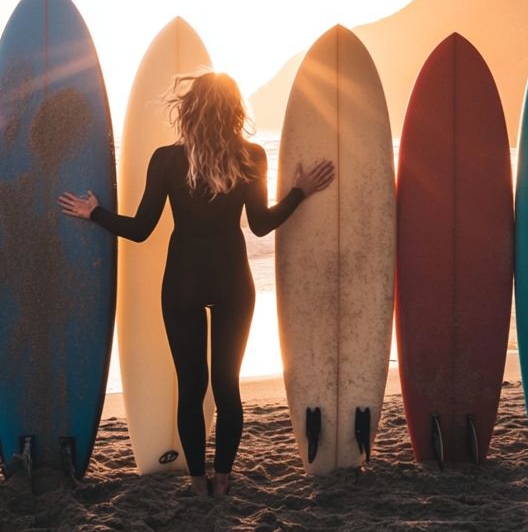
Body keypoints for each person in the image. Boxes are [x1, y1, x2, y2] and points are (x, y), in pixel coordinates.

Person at [59, 71, 333, 497]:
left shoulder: (167, 159)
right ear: (235, 110)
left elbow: (141, 229)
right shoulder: (252, 156)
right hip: (232, 280)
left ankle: (196, 481)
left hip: (182, 279)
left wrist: (94, 212)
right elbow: (261, 226)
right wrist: (299, 191)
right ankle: (223, 478)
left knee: (192, 386)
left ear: (188, 110)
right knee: (227, 386)